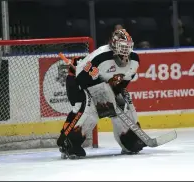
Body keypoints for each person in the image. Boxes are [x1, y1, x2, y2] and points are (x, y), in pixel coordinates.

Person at [56, 29, 146, 159]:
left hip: (102, 84)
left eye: (128, 46)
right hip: (78, 80)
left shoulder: (134, 60)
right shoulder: (101, 56)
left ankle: (130, 139)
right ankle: (68, 142)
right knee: (88, 107)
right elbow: (81, 79)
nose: (126, 51)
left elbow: (123, 84)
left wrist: (113, 93)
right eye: (122, 46)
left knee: (123, 101)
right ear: (114, 44)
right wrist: (102, 95)